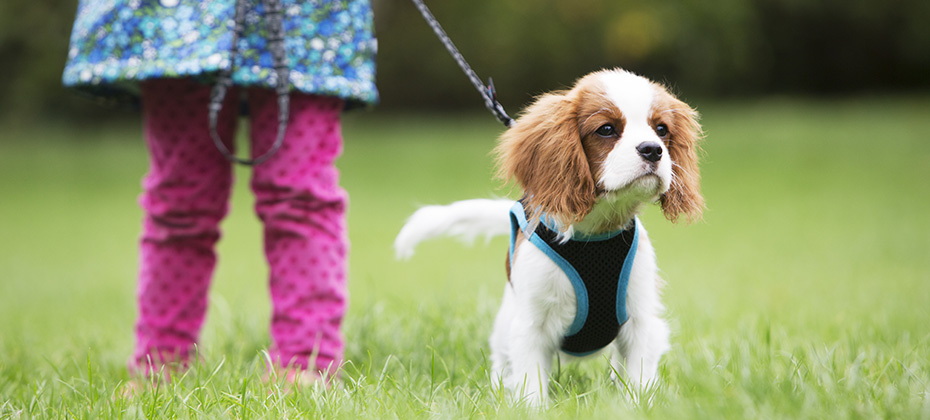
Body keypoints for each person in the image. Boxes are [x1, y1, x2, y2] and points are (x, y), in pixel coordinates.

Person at [62, 0, 377, 383]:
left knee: (300, 194)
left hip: (305, 19)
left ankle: (306, 364)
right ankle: (161, 365)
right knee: (181, 197)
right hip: (179, 18)